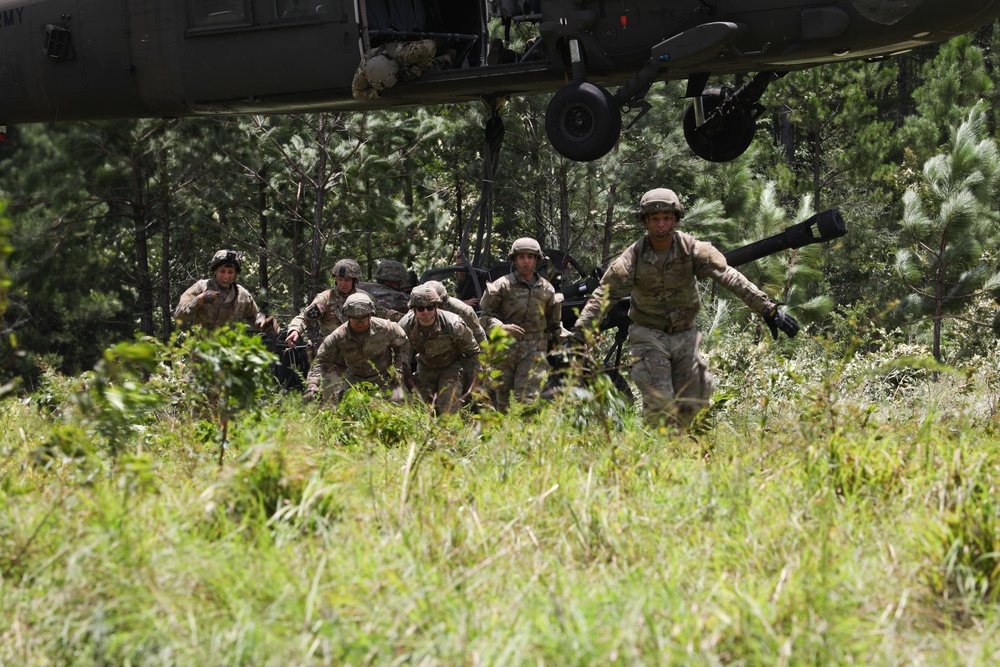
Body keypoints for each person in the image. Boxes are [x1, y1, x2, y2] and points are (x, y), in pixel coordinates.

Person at [572, 188, 800, 429]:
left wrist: (768, 310)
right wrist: (578, 337)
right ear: (646, 221)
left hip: (684, 335)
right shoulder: (633, 257)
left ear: (675, 219)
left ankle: (682, 457)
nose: (661, 224)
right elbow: (602, 296)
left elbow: (729, 276)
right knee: (661, 402)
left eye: (666, 218)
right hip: (648, 334)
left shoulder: (692, 250)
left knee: (692, 405)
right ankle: (656, 458)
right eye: (655, 219)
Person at [479, 237, 563, 412]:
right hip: (505, 349)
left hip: (533, 350)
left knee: (527, 401)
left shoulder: (547, 290)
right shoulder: (502, 285)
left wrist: (575, 338)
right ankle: (505, 438)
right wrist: (500, 327)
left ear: (537, 259)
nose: (526, 261)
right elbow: (485, 318)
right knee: (502, 401)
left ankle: (525, 436)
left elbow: (554, 326)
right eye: (522, 257)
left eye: (530, 257)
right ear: (515, 259)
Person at [304, 293, 410, 403]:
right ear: (348, 316)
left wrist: (398, 366)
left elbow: (403, 343)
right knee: (344, 411)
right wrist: (313, 384)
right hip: (354, 379)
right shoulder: (338, 336)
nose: (359, 321)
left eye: (363, 317)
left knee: (402, 405)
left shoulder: (386, 329)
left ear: (370, 314)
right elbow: (321, 361)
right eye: (355, 318)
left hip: (384, 377)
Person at [398, 285, 481, 414]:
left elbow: (472, 352)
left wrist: (473, 380)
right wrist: (407, 377)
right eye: (420, 308)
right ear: (413, 309)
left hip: (452, 366)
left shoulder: (454, 324)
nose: (425, 312)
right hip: (425, 366)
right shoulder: (405, 326)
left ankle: (452, 433)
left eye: (430, 307)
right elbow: (400, 354)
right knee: (421, 409)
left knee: (447, 409)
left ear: (436, 306)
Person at [174, 249, 279, 333]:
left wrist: (263, 324)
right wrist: (199, 300)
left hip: (227, 352)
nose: (226, 276)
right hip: (202, 351)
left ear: (235, 273)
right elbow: (178, 315)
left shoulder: (241, 295)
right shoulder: (201, 287)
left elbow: (253, 315)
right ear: (215, 270)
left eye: (230, 272)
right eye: (222, 271)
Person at [285, 258, 371, 348]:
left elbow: (382, 318)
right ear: (336, 280)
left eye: (347, 280)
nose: (343, 284)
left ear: (354, 281)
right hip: (331, 351)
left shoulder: (364, 298)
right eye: (340, 279)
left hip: (360, 349)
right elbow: (305, 318)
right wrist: (294, 330)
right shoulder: (326, 299)